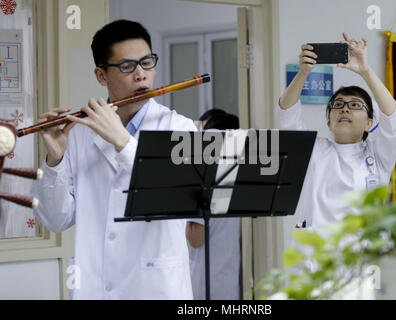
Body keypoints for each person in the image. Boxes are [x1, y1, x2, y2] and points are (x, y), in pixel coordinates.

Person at [31, 20, 197, 299]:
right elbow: (56, 219)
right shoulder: (80, 133)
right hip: (96, 286)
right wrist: (55, 160)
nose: (141, 75)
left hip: (155, 288)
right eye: (127, 67)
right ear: (101, 75)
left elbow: (179, 201)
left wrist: (122, 141)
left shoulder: (179, 128)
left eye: (147, 62)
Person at [278, 33, 396, 231]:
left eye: (355, 105)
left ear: (369, 123)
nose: (345, 109)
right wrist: (302, 73)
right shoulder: (314, 150)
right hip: (317, 254)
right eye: (338, 105)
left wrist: (365, 71)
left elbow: (394, 121)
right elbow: (288, 116)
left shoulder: (378, 156)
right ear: (329, 123)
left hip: (364, 254)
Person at [186, 109, 241, 300]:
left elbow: (195, 239)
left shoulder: (205, 177)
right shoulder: (232, 175)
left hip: (202, 286)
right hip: (227, 282)